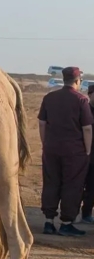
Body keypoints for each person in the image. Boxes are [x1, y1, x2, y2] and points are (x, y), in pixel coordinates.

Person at [38, 66, 93, 236]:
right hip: (74, 152)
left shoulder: (49, 98)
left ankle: (48, 221)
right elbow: (87, 129)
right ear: (78, 81)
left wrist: (45, 143)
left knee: (51, 182)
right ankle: (66, 223)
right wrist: (88, 150)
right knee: (72, 185)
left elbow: (42, 123)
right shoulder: (81, 100)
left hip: (51, 149)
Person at [79, 83, 94, 224]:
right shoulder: (85, 110)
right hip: (83, 154)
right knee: (78, 186)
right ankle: (71, 216)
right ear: (89, 95)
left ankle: (87, 213)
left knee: (92, 187)